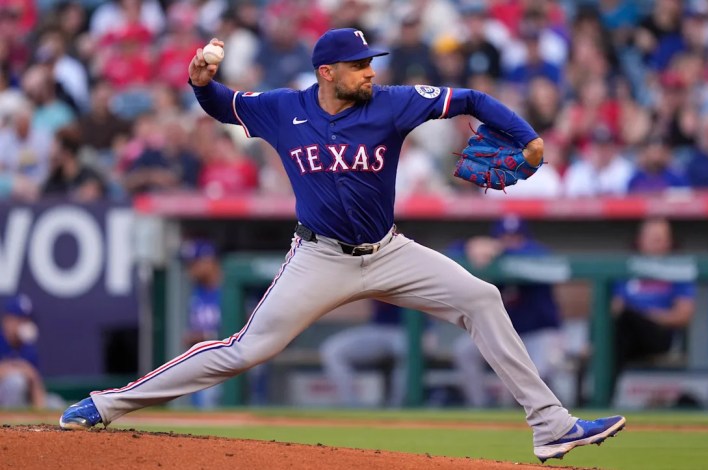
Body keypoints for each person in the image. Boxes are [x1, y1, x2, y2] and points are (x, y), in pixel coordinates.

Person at [59, 29, 624, 463]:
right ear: (327, 72)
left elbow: (471, 97)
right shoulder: (284, 109)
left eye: (370, 63)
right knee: (244, 350)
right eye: (359, 66)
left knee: (481, 298)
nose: (369, 72)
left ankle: (550, 426)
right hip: (319, 257)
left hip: (389, 251)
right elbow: (223, 105)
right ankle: (107, 404)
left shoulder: (392, 103)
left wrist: (528, 140)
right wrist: (202, 83)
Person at [451, 216, 564, 408]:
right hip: (502, 334)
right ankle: (480, 408)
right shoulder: (490, 255)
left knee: (538, 373)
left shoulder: (536, 254)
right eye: (504, 238)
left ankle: (551, 412)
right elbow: (449, 254)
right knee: (464, 350)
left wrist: (503, 250)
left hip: (540, 333)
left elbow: (543, 257)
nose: (510, 241)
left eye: (516, 237)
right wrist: (471, 245)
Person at [610, 218, 696, 401]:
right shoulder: (627, 269)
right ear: (640, 240)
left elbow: (684, 314)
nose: (657, 244)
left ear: (669, 242)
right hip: (628, 335)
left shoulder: (678, 270)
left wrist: (646, 316)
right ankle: (595, 397)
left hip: (659, 334)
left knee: (626, 321)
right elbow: (613, 307)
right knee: (615, 332)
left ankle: (601, 398)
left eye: (661, 238)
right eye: (652, 238)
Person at [320, 300, 410, 408]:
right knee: (333, 350)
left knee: (406, 350)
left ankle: (398, 408)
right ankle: (352, 406)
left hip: (415, 332)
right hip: (378, 328)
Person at [179, 239, 223, 409]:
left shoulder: (231, 289)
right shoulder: (197, 290)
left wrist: (205, 336)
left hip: (230, 364)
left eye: (194, 263)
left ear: (208, 261)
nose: (190, 269)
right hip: (203, 365)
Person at [0, 295, 46, 409]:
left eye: (27, 320)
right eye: (20, 320)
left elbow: (35, 381)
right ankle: (7, 424)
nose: (24, 324)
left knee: (55, 402)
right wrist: (19, 368)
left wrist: (40, 410)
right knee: (15, 382)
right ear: (7, 320)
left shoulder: (28, 348)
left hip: (24, 399)